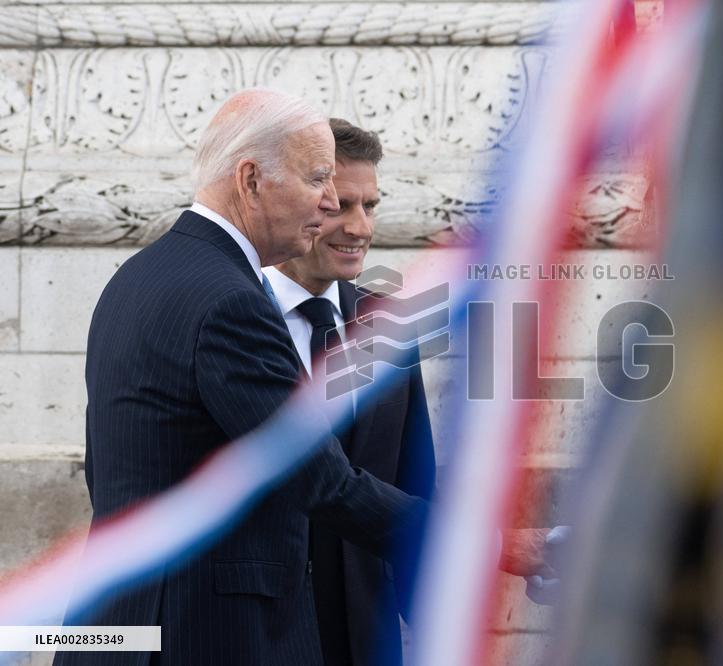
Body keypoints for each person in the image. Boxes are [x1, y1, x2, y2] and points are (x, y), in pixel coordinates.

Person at [57, 89, 549, 666]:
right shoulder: (229, 303)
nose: (330, 202)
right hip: (206, 636)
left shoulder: (136, 279)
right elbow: (323, 482)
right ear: (251, 180)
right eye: (318, 180)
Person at [263, 118, 432, 666]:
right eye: (340, 206)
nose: (359, 228)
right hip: (255, 634)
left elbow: (412, 475)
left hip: (367, 637)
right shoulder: (227, 315)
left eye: (371, 206)